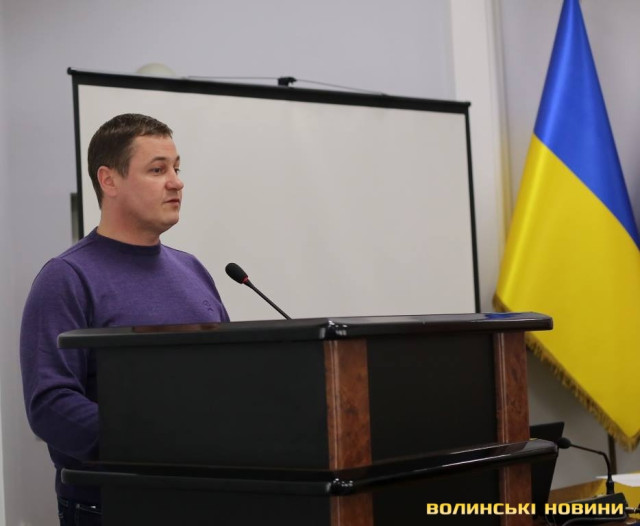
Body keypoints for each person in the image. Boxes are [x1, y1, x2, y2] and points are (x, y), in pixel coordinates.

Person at [20, 113, 229, 525]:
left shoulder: (193, 270)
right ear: (109, 180)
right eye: (158, 170)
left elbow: (228, 381)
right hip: (112, 507)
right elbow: (50, 404)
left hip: (207, 499)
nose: (177, 182)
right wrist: (156, 442)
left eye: (177, 168)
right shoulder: (67, 277)